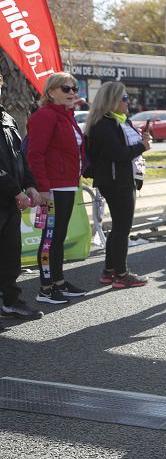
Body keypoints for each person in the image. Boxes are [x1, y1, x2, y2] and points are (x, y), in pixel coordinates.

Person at [27, 72, 88, 305]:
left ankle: (58, 281)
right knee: (49, 238)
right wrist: (42, 187)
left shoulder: (66, 115)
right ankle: (45, 287)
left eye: (74, 88)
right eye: (66, 88)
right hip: (52, 188)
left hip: (68, 185)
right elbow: (35, 154)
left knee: (59, 235)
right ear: (50, 92)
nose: (72, 92)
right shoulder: (45, 115)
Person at [83, 81, 151, 289]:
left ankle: (110, 271)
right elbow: (118, 154)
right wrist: (142, 146)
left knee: (119, 228)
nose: (128, 102)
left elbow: (123, 150)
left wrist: (140, 142)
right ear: (112, 100)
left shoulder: (119, 120)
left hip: (121, 179)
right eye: (124, 98)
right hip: (115, 181)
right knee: (123, 228)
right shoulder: (104, 124)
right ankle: (121, 274)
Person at [0, 74, 43, 321]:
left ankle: (11, 302)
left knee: (9, 255)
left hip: (10, 200)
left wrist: (30, 185)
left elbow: (20, 157)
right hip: (7, 194)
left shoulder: (6, 117)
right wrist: (15, 190)